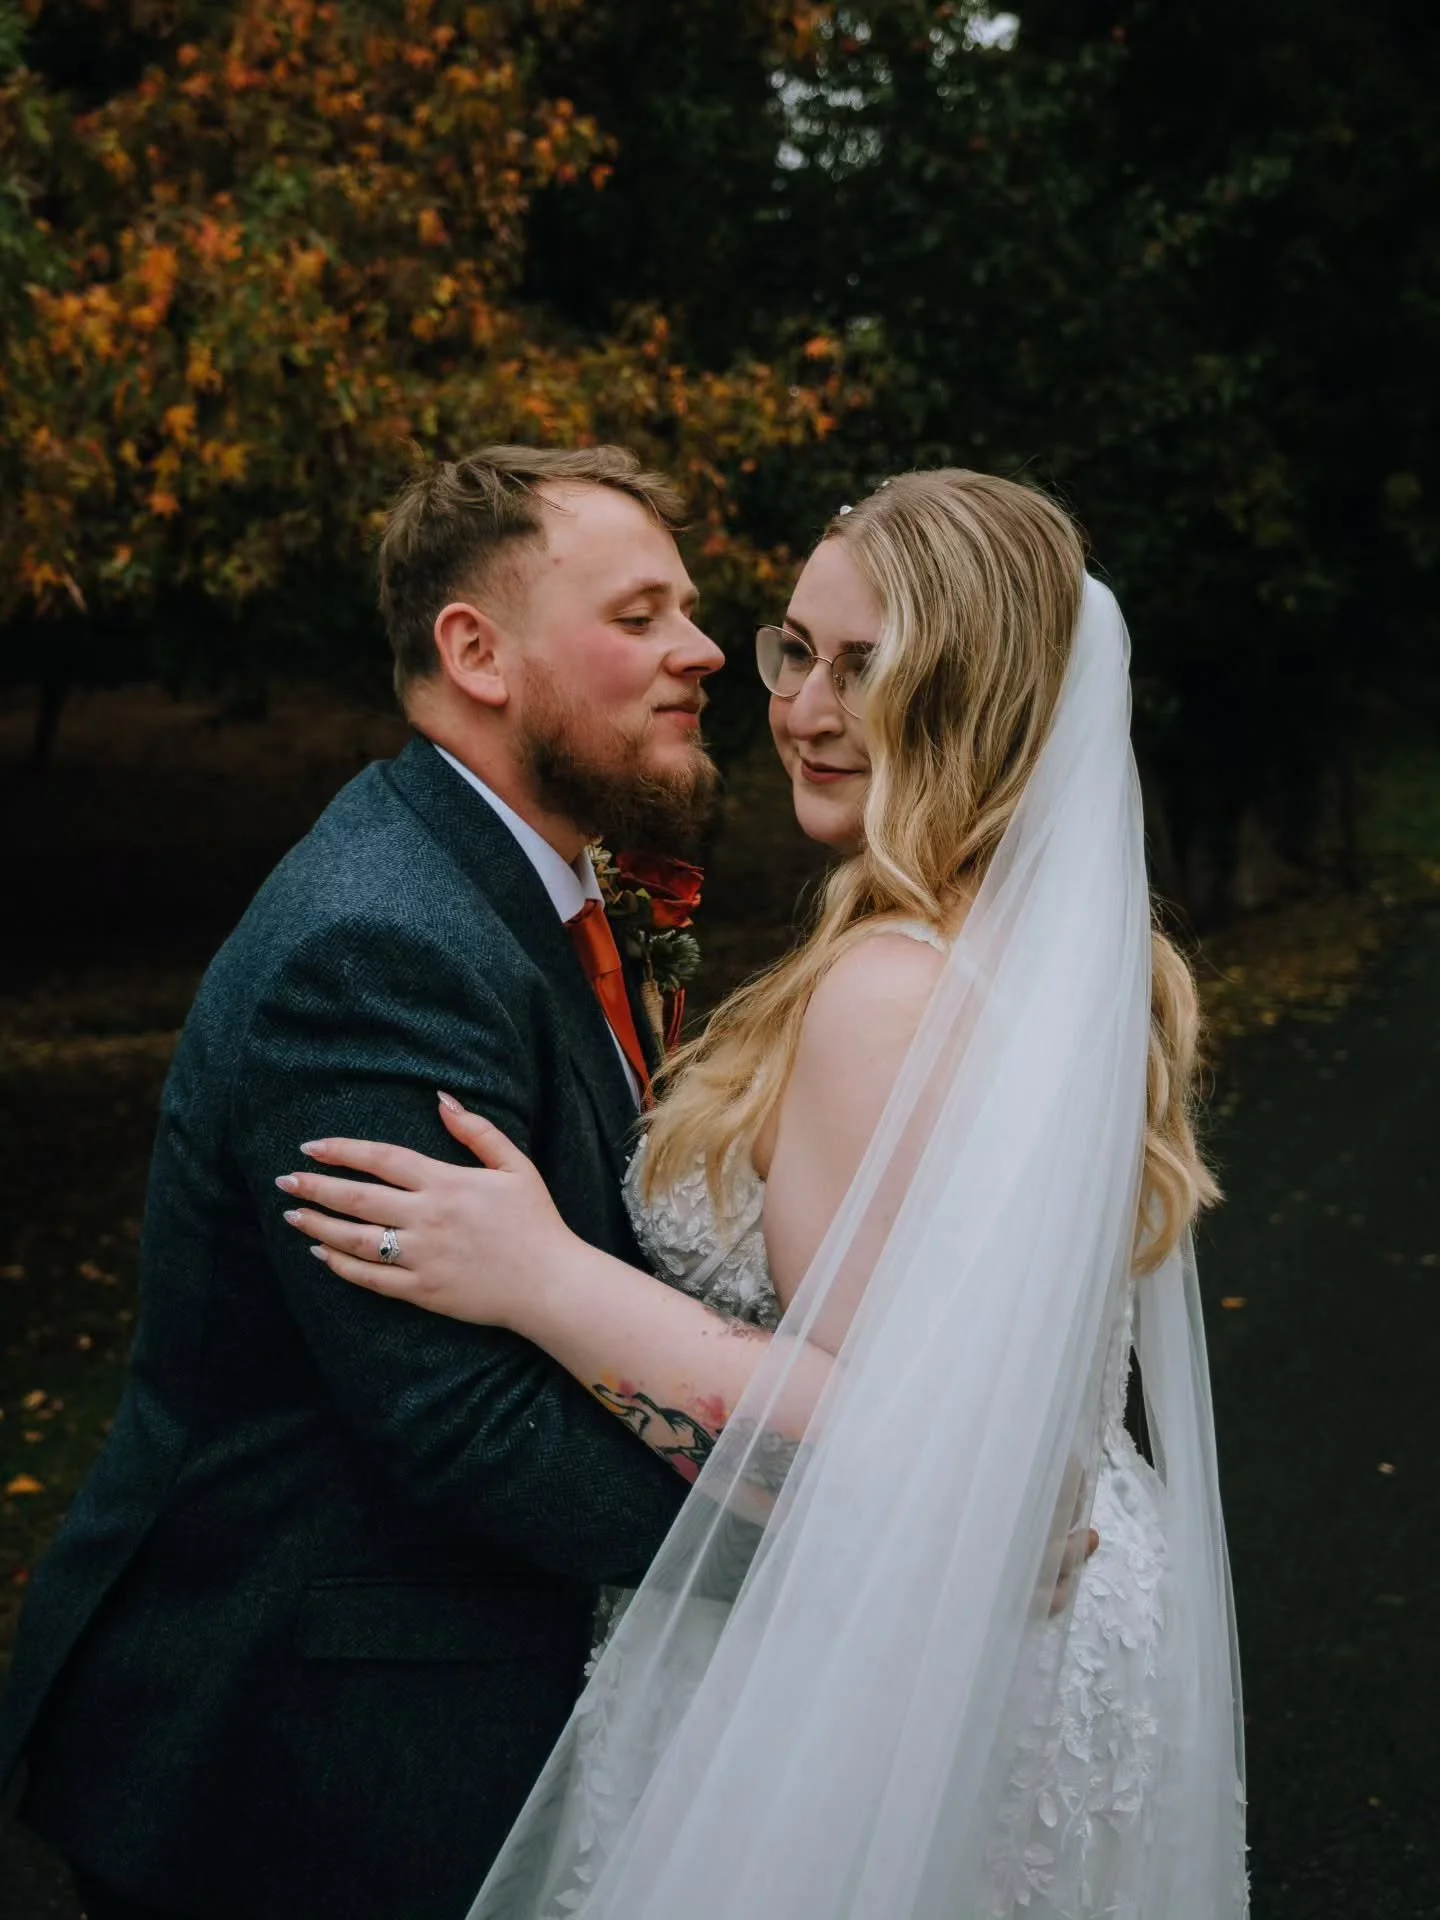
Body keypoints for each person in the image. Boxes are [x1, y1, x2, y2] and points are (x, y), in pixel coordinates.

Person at [282, 469, 1249, 1918]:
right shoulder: (1062, 960)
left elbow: (891, 1444)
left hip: (903, 1656)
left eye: (869, 667)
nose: (799, 703)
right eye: (797, 648)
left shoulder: (886, 988)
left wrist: (548, 1276)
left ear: (973, 694)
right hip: (1073, 1611)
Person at [0, 445, 728, 1920]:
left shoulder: (520, 886)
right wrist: (811, 1552)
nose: (703, 650)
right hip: (308, 1755)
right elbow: (459, 1419)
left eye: (690, 612)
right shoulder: (378, 943)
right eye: (641, 614)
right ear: (478, 652)